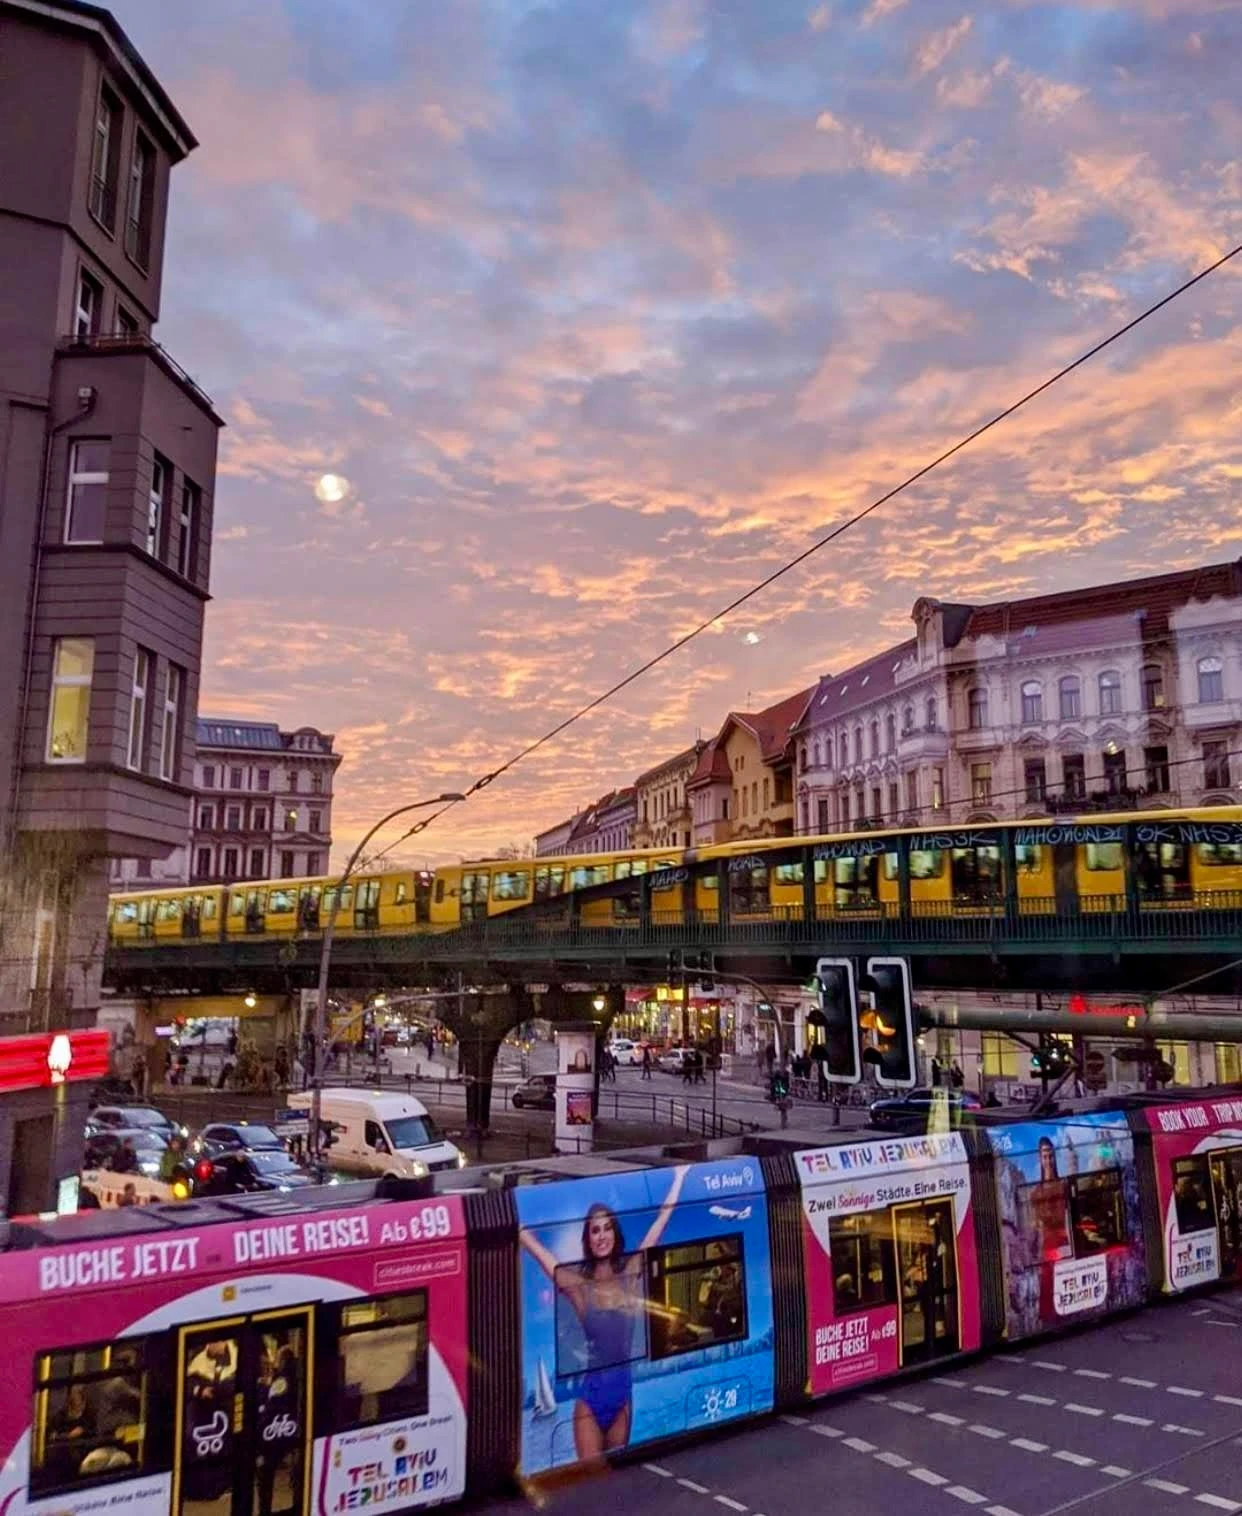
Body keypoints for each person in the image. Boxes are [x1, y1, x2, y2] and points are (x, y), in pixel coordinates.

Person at [520, 1166, 687, 1462]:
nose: (601, 1236)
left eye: (607, 1228)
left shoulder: (631, 1272)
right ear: (588, 1237)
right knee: (591, 1482)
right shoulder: (580, 1287)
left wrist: (680, 1177)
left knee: (615, 1483)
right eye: (595, 1230)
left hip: (623, 1398)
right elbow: (542, 1256)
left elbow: (662, 1219)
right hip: (590, 1402)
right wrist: (520, 1231)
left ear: (615, 1233)